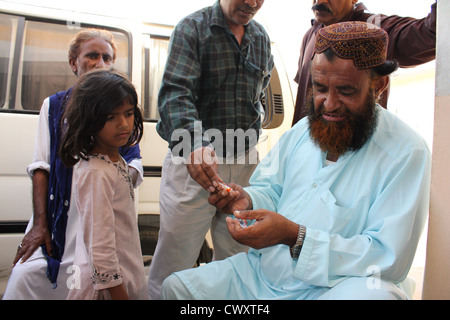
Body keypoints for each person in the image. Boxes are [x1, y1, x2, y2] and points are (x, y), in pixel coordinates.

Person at [160, 21, 431, 300]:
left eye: (346, 91)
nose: (329, 103)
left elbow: (386, 258)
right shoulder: (303, 131)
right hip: (265, 275)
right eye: (320, 87)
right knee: (177, 288)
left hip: (336, 287)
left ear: (378, 86)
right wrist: (248, 201)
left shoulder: (406, 152)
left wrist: (296, 237)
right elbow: (272, 190)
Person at [3, 29, 143, 300]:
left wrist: (115, 183)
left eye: (106, 57)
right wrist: (40, 223)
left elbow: (132, 162)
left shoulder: (117, 116)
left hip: (102, 210)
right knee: (27, 277)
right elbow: (41, 166)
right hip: (63, 214)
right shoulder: (55, 106)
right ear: (73, 62)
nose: (99, 62)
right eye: (92, 55)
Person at [148, 0, 273, 299]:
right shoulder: (192, 28)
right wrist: (193, 145)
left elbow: (261, 95)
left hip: (245, 161)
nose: (252, 3)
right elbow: (175, 93)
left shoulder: (261, 36)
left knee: (238, 259)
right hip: (195, 162)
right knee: (174, 263)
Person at [59, 69, 147, 300]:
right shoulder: (97, 173)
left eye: (128, 113)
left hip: (124, 276)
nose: (124, 124)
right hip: (107, 290)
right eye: (111, 117)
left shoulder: (114, 161)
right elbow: (100, 248)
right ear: (89, 120)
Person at [292, 0, 437, 125]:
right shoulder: (310, 35)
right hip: (309, 148)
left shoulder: (374, 28)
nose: (320, 1)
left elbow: (431, 33)